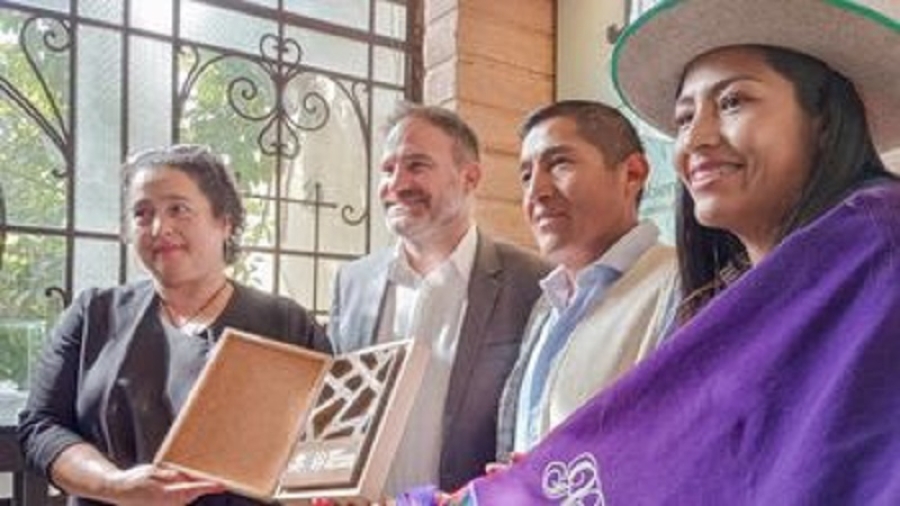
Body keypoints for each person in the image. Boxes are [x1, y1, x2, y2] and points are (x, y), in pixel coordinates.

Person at [397, 0, 900, 504]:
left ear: (823, 118)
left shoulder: (878, 245)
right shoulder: (717, 294)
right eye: (684, 119)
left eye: (733, 102)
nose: (696, 139)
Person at [18, 144, 332, 505]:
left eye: (178, 209)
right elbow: (41, 427)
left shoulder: (286, 324)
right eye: (142, 213)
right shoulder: (93, 315)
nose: (159, 227)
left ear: (225, 221)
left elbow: (331, 439)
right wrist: (114, 484)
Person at [328, 103, 549, 494]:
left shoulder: (532, 283)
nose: (396, 184)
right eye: (387, 169)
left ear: (469, 177)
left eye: (417, 165)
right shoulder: (352, 284)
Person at [496, 100, 677, 460]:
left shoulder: (682, 287)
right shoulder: (545, 307)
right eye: (526, 175)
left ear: (632, 174)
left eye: (559, 164)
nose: (537, 192)